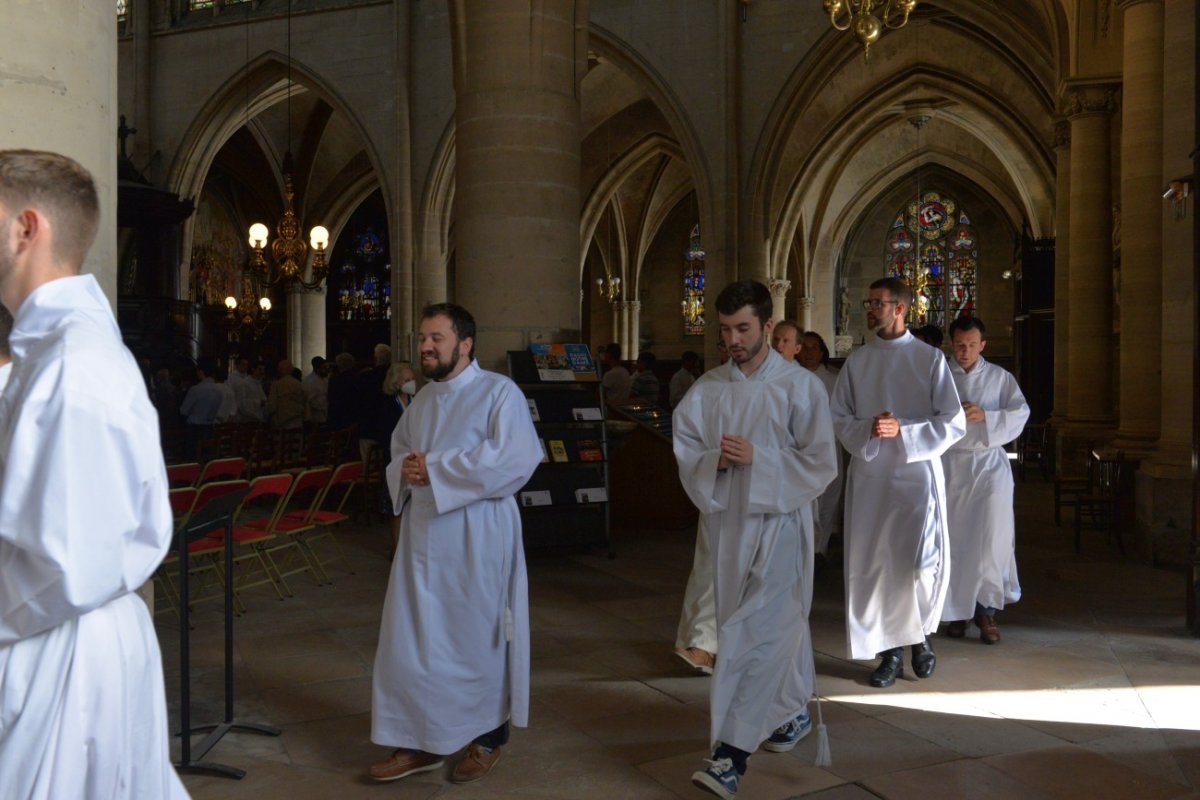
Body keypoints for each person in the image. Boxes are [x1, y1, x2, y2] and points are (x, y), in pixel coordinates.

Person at [0, 149, 187, 798]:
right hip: (50, 636)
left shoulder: (71, 362)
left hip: (60, 654)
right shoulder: (46, 353)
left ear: (26, 228)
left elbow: (64, 564)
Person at [674, 280, 837, 799]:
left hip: (781, 526)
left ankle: (730, 754)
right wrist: (714, 461)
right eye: (724, 330)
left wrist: (760, 459)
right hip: (729, 529)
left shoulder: (800, 387)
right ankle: (790, 714)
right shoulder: (710, 389)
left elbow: (821, 464)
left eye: (743, 328)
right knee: (759, 627)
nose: (732, 340)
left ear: (768, 326)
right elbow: (687, 448)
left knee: (756, 632)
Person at [369, 303, 542, 786]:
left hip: (477, 536)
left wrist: (438, 469)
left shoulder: (498, 393)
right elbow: (400, 451)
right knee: (417, 640)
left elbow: (517, 459)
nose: (426, 346)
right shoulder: (423, 400)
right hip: (424, 538)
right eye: (423, 337)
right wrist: (404, 469)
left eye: (436, 338)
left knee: (474, 638)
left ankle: (487, 737)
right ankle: (423, 739)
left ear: (465, 344)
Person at [830, 277, 965, 689]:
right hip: (872, 478)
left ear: (901, 308)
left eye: (877, 302)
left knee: (920, 565)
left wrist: (903, 429)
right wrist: (868, 429)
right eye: (868, 301)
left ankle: (921, 636)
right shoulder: (857, 362)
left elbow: (953, 422)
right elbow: (839, 418)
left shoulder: (929, 359)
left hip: (916, 476)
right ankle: (888, 653)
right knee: (876, 566)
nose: (869, 309)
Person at [941, 317, 1029, 644]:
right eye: (960, 345)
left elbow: (1021, 413)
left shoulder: (999, 378)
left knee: (991, 539)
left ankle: (986, 610)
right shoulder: (938, 377)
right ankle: (957, 612)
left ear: (983, 345)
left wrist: (987, 416)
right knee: (955, 540)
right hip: (950, 464)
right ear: (952, 344)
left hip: (988, 464)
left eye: (972, 345)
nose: (965, 352)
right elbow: (924, 413)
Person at [798, 331, 843, 560]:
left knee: (827, 501)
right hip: (799, 451)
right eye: (804, 347)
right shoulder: (791, 378)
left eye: (814, 347)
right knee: (805, 502)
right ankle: (804, 550)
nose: (809, 353)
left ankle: (820, 550)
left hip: (829, 448)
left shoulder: (834, 381)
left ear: (822, 352)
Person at [267, 358, 305, 430]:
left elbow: (272, 404)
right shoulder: (298, 384)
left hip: (282, 421)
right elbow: (303, 401)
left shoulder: (276, 385)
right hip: (297, 419)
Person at [303, 355, 330, 425]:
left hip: (325, 415)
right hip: (315, 417)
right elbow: (312, 400)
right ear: (318, 368)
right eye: (324, 367)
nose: (327, 369)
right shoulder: (309, 381)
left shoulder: (325, 379)